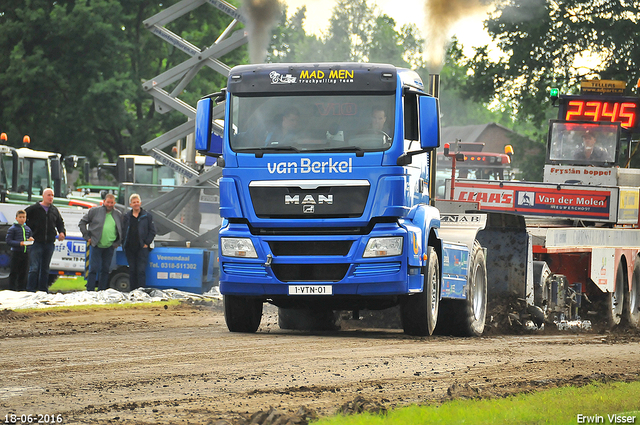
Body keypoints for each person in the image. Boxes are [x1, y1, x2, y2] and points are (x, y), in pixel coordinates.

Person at [79, 194, 123, 291]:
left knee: (105, 269)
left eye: (112, 203)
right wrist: (87, 237)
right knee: (93, 269)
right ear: (104, 201)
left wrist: (117, 242)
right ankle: (90, 290)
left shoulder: (118, 214)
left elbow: (122, 229)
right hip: (96, 245)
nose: (109, 204)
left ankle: (102, 290)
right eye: (108, 202)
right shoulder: (94, 211)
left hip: (110, 246)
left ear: (114, 203)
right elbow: (82, 223)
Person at [25, 188, 66, 292]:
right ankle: (30, 290)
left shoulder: (54, 210)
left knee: (45, 268)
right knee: (34, 268)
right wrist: (27, 234)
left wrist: (62, 232)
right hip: (36, 243)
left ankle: (43, 290)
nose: (51, 197)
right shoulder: (33, 209)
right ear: (43, 196)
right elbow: (22, 221)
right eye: (48, 195)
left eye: (52, 195)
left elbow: (60, 223)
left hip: (49, 243)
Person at [122, 194, 156, 290]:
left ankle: (141, 291)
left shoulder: (147, 216)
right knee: (132, 271)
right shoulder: (127, 216)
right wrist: (123, 243)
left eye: (137, 202)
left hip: (142, 248)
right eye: (134, 202)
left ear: (140, 203)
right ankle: (132, 292)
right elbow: (123, 230)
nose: (136, 204)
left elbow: (153, 231)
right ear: (130, 204)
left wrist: (146, 243)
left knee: (141, 271)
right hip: (130, 248)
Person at [6, 210, 34, 291]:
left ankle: (21, 289)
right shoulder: (12, 229)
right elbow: (9, 241)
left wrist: (30, 240)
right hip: (16, 252)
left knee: (24, 272)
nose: (22, 219)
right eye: (20, 217)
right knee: (14, 272)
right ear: (16, 218)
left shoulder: (28, 229)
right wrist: (19, 243)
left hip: (26, 253)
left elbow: (30, 237)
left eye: (24, 217)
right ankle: (12, 289)